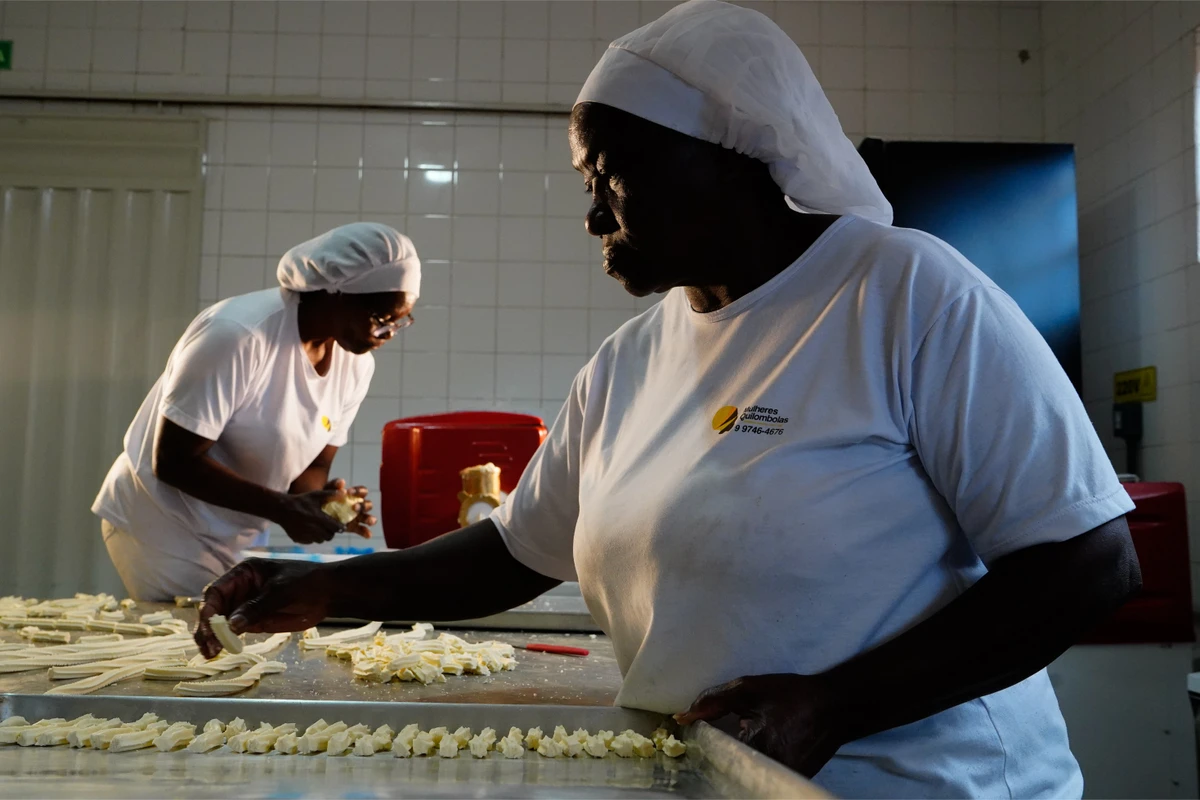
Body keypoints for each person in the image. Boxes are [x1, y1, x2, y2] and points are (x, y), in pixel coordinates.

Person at [194, 4, 1140, 798]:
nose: (595, 216)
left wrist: (833, 704)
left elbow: (1087, 563)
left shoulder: (906, 294)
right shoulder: (627, 362)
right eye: (587, 184)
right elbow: (516, 551)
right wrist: (327, 584)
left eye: (614, 179)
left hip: (927, 787)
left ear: (737, 157)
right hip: (724, 780)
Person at [93, 222, 420, 602]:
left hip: (237, 534)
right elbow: (173, 461)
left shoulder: (356, 365)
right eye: (381, 319)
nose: (389, 334)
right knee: (191, 647)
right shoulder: (238, 334)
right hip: (162, 525)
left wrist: (322, 507)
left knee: (232, 642)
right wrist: (284, 509)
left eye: (400, 322)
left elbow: (310, 470)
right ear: (337, 292)